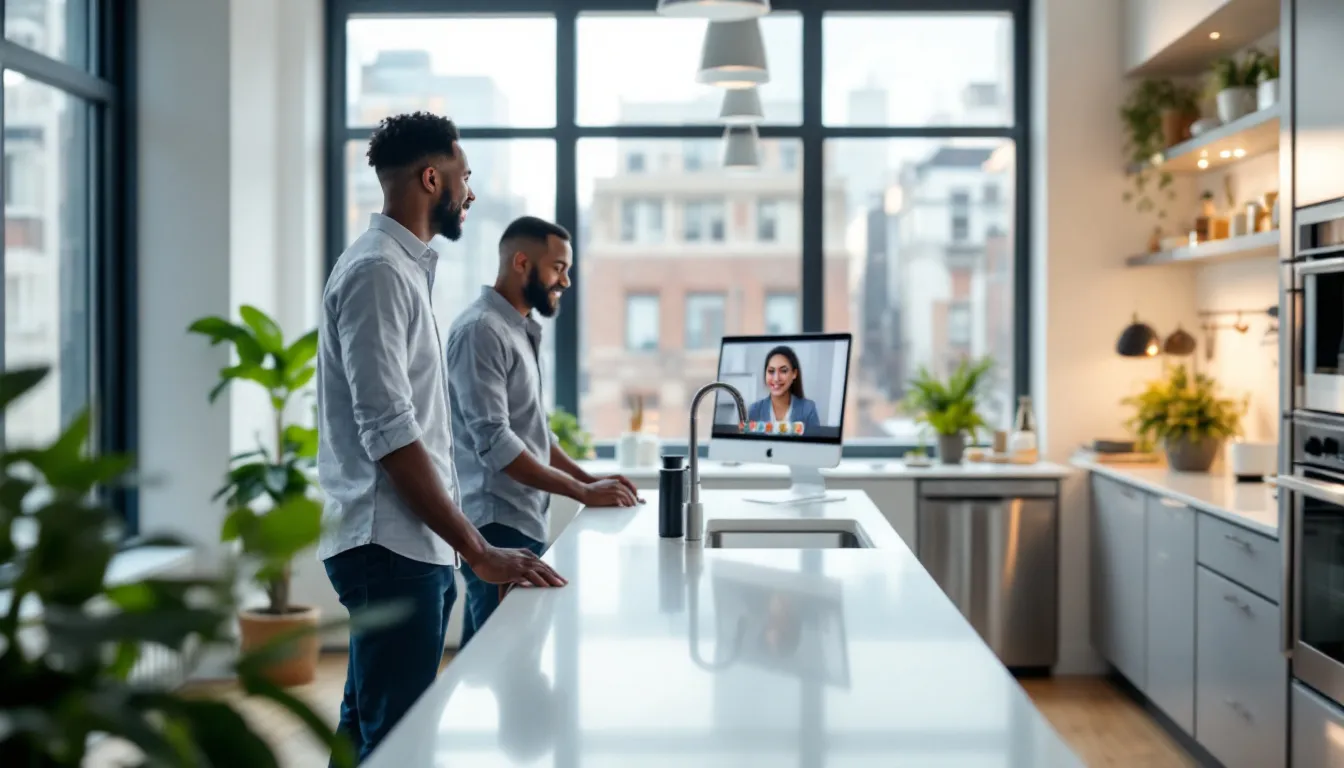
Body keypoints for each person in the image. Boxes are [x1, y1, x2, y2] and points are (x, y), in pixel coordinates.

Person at [315, 112, 566, 764]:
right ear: (432, 178)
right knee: (399, 742)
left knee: (368, 723)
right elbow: (391, 434)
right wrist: (477, 547)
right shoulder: (377, 273)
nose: (471, 193)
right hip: (388, 544)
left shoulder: (401, 270)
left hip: (410, 546)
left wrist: (458, 550)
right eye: (465, 177)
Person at [446, 215, 641, 647]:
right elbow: (497, 444)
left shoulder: (519, 331)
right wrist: (582, 492)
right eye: (558, 267)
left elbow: (536, 435)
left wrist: (591, 480)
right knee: (504, 657)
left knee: (490, 656)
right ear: (521, 263)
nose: (566, 281)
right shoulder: (481, 331)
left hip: (521, 519)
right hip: (494, 526)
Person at [745, 345, 822, 431]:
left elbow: (815, 443)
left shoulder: (808, 409)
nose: (776, 378)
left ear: (794, 373)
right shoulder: (754, 410)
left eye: (783, 371)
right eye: (771, 371)